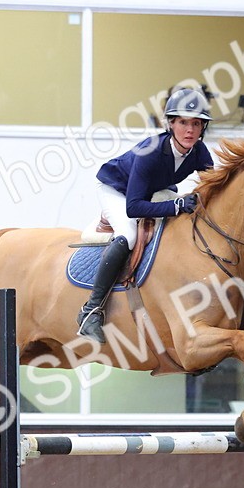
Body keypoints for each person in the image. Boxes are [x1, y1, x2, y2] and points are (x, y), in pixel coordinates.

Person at [78, 87, 216, 343]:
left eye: (196, 124)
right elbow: (134, 207)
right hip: (116, 189)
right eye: (183, 122)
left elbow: (213, 190)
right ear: (171, 124)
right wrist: (177, 206)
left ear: (202, 128)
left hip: (153, 189)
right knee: (128, 235)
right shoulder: (150, 151)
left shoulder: (199, 152)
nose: (189, 130)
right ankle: (91, 311)